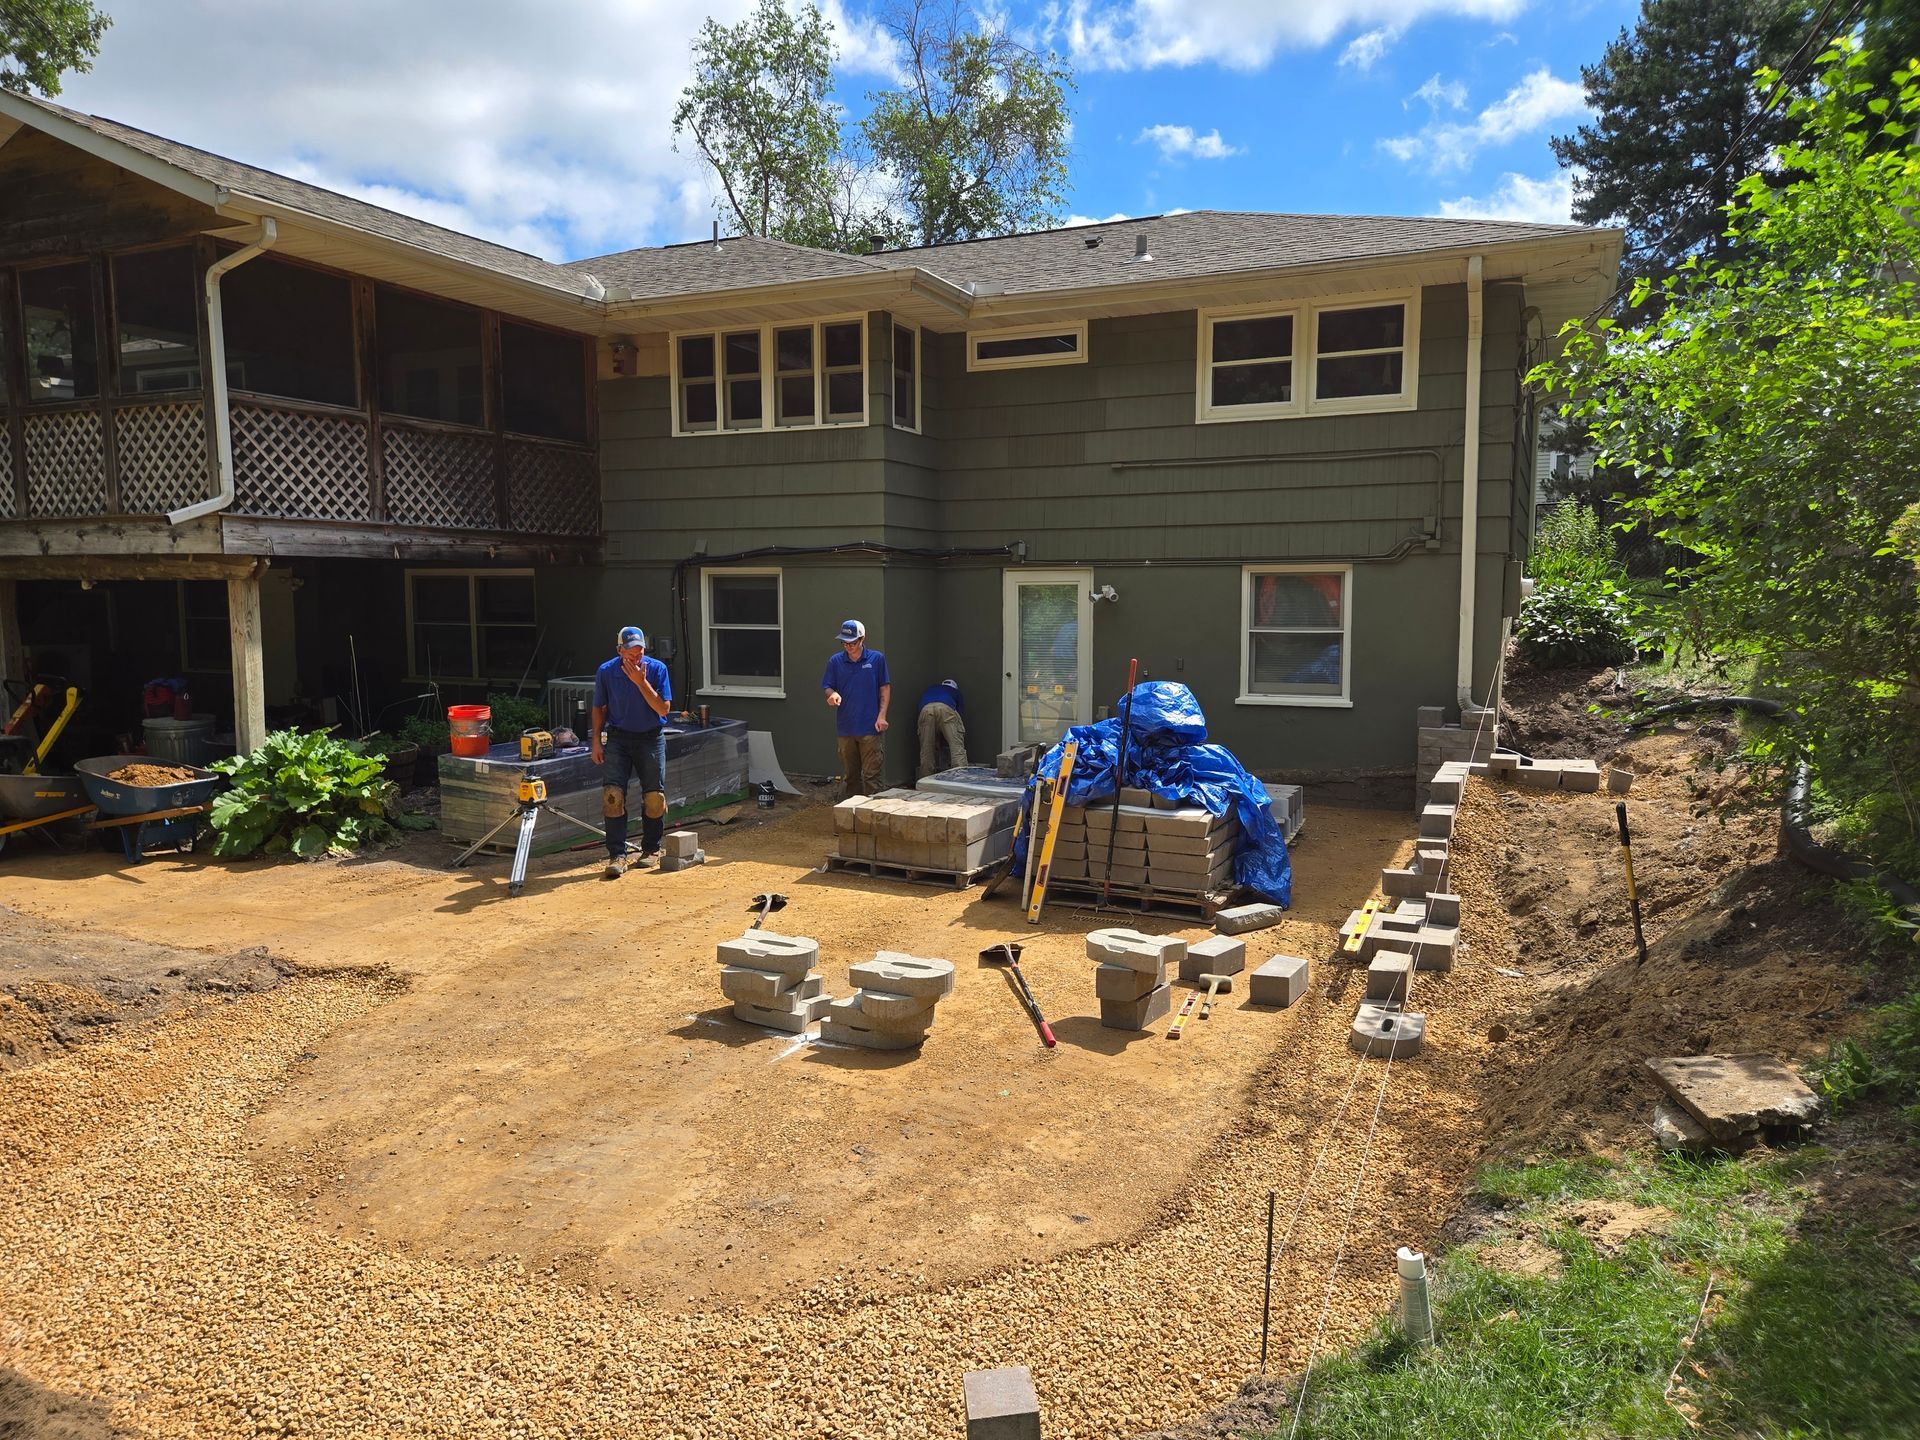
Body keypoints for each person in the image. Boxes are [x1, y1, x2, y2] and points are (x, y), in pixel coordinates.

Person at [590, 625, 672, 877]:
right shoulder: (606, 671)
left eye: (639, 653)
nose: (636, 658)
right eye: (630, 654)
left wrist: (640, 681)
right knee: (612, 796)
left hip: (650, 737)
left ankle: (651, 849)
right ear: (619, 650)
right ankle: (617, 855)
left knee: (654, 798)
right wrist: (596, 741)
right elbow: (599, 708)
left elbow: (663, 709)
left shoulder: (657, 669)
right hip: (618, 738)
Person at [821, 618, 889, 797]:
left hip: (870, 727)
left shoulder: (876, 659)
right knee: (851, 777)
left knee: (871, 777)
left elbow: (885, 687)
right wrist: (831, 695)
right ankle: (852, 818)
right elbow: (827, 686)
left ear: (862, 639)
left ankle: (874, 816)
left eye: (852, 642)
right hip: (846, 728)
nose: (848, 646)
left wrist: (882, 716)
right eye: (844, 642)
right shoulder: (835, 661)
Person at [916, 677, 967, 778]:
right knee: (956, 748)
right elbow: (959, 715)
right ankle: (961, 779)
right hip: (946, 708)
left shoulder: (931, 689)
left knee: (926, 749)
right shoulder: (955, 692)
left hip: (925, 710)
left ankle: (926, 781)